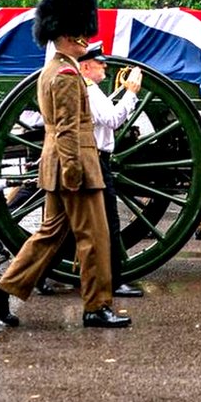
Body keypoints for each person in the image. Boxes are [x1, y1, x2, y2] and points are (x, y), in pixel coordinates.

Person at [0, 0, 130, 329]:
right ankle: (96, 306)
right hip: (73, 167)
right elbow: (66, 130)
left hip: (60, 166)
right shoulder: (64, 74)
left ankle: (0, 293)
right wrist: (76, 174)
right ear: (68, 35)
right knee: (94, 239)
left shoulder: (57, 69)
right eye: (83, 33)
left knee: (48, 236)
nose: (87, 40)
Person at [79, 41, 145, 298]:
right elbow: (113, 119)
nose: (105, 65)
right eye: (99, 62)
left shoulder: (91, 89)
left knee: (67, 225)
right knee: (109, 221)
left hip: (95, 158)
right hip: (96, 161)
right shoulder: (90, 89)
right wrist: (131, 92)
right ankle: (114, 281)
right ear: (86, 67)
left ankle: (40, 274)